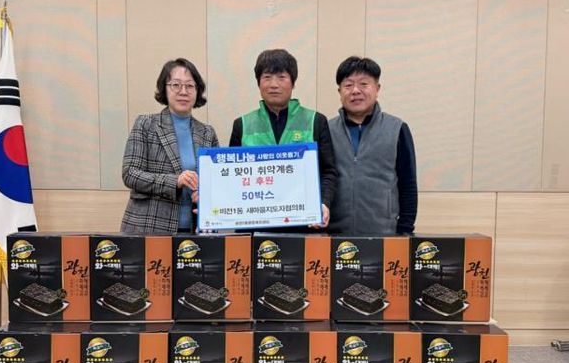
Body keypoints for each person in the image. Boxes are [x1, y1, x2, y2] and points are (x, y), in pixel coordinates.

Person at [229, 48, 337, 229]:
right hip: (255, 225)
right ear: (258, 83)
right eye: (267, 77)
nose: (274, 84)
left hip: (304, 224)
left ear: (293, 82)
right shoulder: (242, 124)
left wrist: (324, 203)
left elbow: (328, 172)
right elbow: (232, 177)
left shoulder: (315, 121)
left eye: (281, 77)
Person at [121, 58, 218, 234]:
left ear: (197, 91)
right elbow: (130, 174)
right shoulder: (146, 124)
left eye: (190, 86)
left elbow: (216, 181)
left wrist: (206, 194)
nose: (183, 91)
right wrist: (175, 181)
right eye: (176, 85)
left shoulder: (207, 133)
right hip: (149, 228)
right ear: (164, 89)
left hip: (194, 230)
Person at [328, 56, 417, 236]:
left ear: (377, 88)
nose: (355, 91)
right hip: (335, 236)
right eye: (348, 85)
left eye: (363, 84)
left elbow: (408, 184)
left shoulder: (397, 128)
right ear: (339, 92)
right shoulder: (327, 130)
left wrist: (405, 230)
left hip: (385, 235)